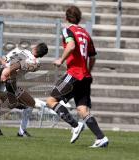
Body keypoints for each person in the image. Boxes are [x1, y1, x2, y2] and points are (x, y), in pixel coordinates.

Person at [46, 6, 109, 147]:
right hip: (85, 76)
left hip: (74, 74)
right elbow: (92, 56)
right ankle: (101, 138)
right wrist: (88, 71)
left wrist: (60, 60)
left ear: (66, 18)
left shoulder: (67, 30)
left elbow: (71, 46)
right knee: (82, 109)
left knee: (50, 100)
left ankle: (75, 125)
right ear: (79, 18)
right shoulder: (86, 33)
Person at [0, 43, 48, 137]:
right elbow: (17, 68)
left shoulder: (19, 50)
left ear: (35, 47)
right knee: (27, 104)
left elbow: (4, 59)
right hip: (9, 81)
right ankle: (21, 131)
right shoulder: (35, 63)